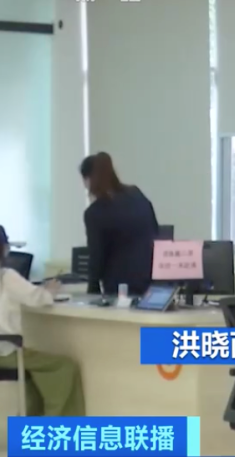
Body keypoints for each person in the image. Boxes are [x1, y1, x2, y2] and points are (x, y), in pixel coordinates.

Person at [0, 225, 86, 416]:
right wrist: (50, 290)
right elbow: (37, 298)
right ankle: (57, 428)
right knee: (64, 367)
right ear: (4, 248)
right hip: (5, 352)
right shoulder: (6, 276)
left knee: (35, 372)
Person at [81, 152, 160, 296]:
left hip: (119, 288)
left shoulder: (94, 213)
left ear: (87, 180)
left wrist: (92, 290)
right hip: (151, 283)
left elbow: (97, 256)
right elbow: (155, 231)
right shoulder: (137, 194)